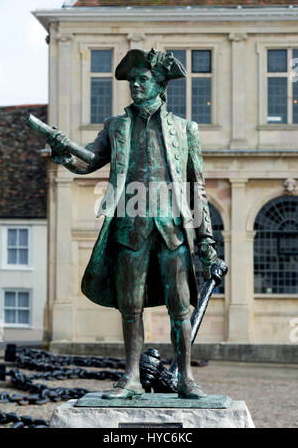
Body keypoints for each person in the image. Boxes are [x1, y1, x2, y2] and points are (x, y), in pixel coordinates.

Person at [48, 48, 217, 400]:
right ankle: (130, 377)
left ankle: (186, 377)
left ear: (159, 85)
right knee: (130, 308)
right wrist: (64, 152)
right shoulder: (116, 126)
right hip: (130, 229)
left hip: (171, 230)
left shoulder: (185, 130)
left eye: (142, 80)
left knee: (180, 307)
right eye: (132, 81)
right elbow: (90, 161)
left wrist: (207, 244)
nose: (135, 86)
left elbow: (195, 188)